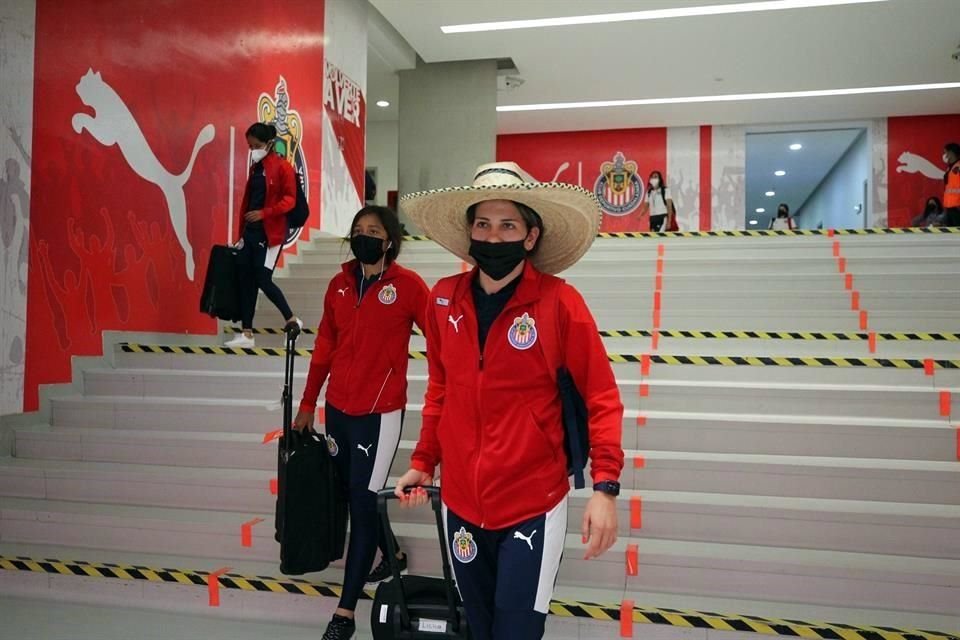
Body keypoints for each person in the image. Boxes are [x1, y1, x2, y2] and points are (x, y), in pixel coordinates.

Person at [395, 162, 625, 640]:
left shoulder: (561, 304)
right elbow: (441, 390)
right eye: (482, 224)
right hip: (460, 503)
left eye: (507, 226)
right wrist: (423, 459)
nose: (493, 237)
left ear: (530, 236)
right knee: (478, 628)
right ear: (469, 231)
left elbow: (601, 395)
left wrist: (604, 488)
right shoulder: (443, 301)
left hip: (531, 506)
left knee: (516, 631)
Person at [293, 205, 429, 640]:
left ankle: (345, 612)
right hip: (338, 411)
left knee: (364, 500)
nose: (364, 236)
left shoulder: (408, 287)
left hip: (380, 412)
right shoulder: (338, 285)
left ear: (390, 240)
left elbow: (443, 341)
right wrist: (308, 402)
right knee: (355, 494)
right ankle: (390, 556)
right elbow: (324, 349)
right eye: (357, 230)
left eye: (373, 231)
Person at [225, 122, 301, 348]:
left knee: (262, 280)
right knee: (246, 280)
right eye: (249, 146)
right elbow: (248, 203)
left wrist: (265, 213)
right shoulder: (256, 168)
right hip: (250, 233)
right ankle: (246, 334)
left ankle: (291, 319)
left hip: (270, 234)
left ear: (268, 143)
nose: (252, 150)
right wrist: (240, 234)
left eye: (255, 145)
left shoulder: (283, 167)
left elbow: (290, 200)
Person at [942, 142, 960, 226]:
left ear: (951, 152)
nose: (944, 155)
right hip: (949, 205)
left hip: (957, 206)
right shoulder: (949, 167)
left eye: (945, 152)